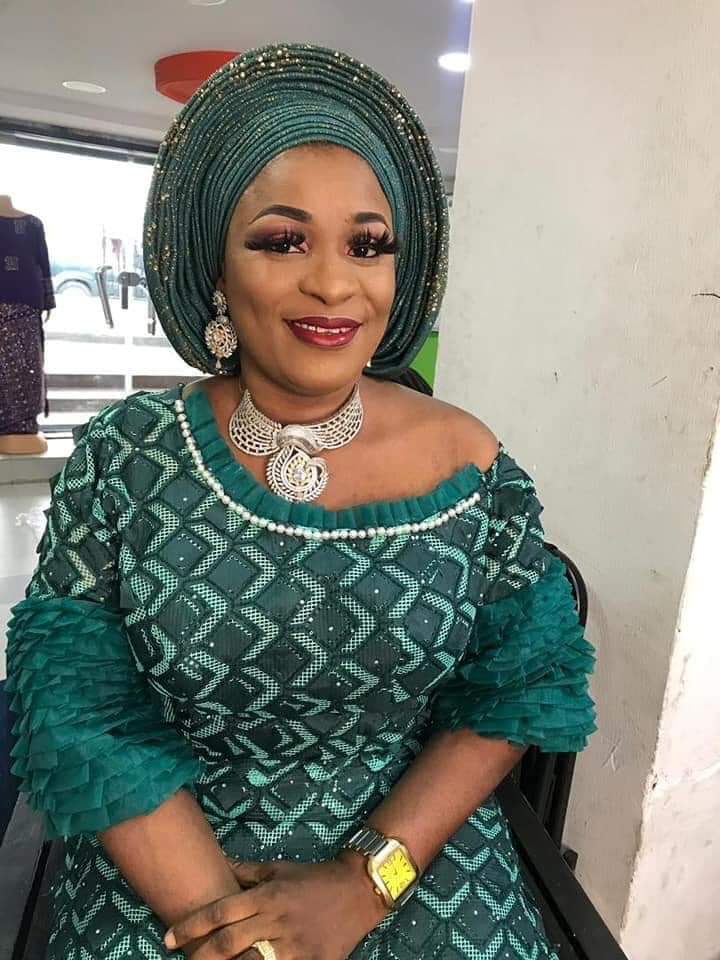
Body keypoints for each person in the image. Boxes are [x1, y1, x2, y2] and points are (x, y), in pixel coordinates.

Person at [6, 42, 596, 960]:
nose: (332, 282)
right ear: (216, 267)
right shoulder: (127, 457)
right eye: (283, 241)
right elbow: (81, 712)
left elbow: (519, 685)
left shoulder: (471, 460)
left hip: (416, 861)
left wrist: (366, 882)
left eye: (368, 244)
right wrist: (239, 937)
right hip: (166, 875)